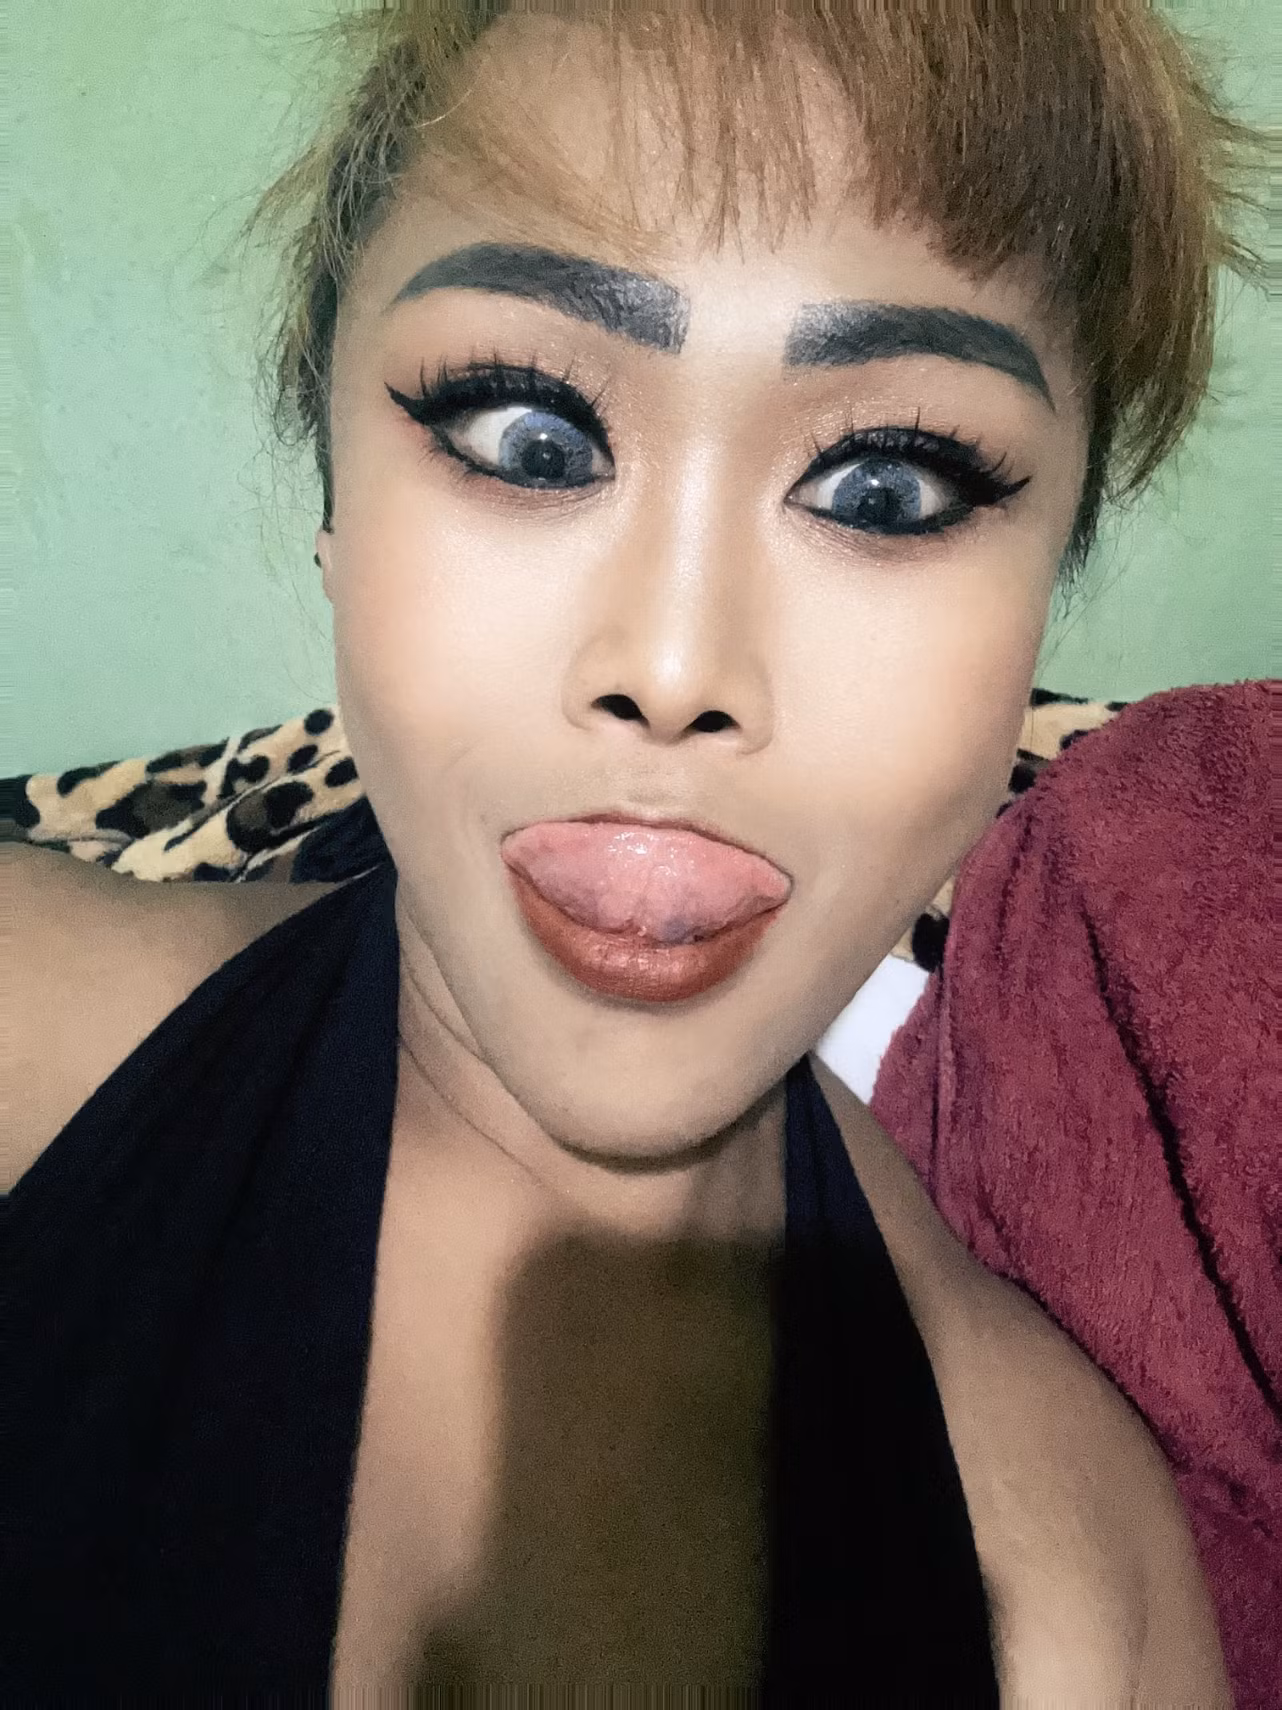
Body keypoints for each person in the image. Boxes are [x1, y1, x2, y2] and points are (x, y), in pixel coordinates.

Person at [5, 0, 1261, 1697]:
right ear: (335, 524)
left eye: (887, 488)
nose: (672, 669)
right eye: (530, 437)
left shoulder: (1083, 1582)